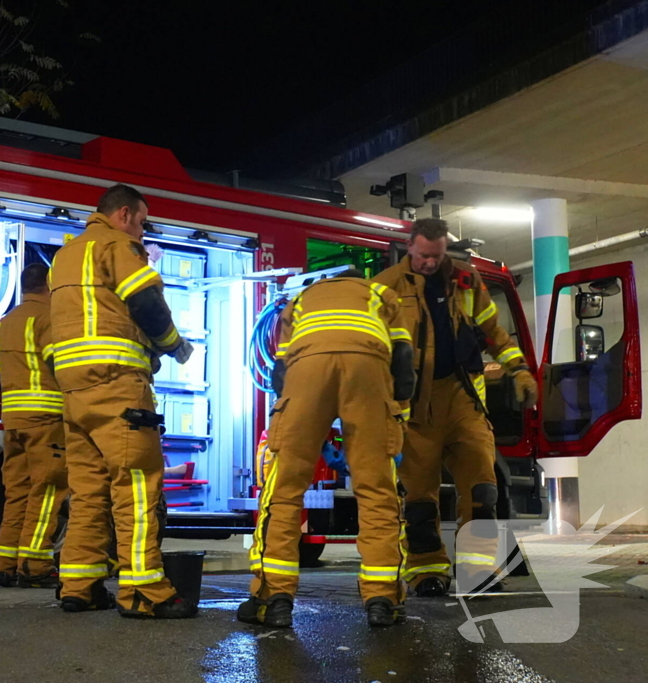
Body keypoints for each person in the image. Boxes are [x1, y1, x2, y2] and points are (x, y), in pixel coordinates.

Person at [238, 268, 416, 628]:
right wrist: (397, 423)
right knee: (377, 492)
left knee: (284, 490)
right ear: (359, 281)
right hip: (368, 371)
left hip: (306, 371)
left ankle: (273, 599)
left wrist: (306, 433)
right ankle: (383, 600)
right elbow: (403, 364)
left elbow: (280, 373)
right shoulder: (381, 295)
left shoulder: (301, 300)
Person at [49, 183, 197, 618]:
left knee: (87, 490)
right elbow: (147, 303)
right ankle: (144, 591)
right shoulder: (117, 245)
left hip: (75, 391)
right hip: (117, 384)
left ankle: (79, 585)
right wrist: (174, 345)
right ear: (125, 214)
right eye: (143, 222)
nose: (143, 232)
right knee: (136, 484)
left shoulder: (66, 255)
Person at [372, 218, 538, 596]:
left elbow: (494, 333)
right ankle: (426, 571)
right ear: (410, 247)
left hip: (463, 397)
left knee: (483, 488)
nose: (430, 262)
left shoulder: (466, 281)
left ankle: (477, 571)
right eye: (423, 255)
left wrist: (518, 370)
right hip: (415, 405)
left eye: (437, 255)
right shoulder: (385, 288)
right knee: (419, 498)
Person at [0, 264, 69, 588]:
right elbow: (59, 365)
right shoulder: (48, 318)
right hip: (46, 418)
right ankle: (35, 566)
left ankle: (7, 565)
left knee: (17, 493)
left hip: (13, 421)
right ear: (49, 284)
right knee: (48, 490)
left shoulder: (5, 323)